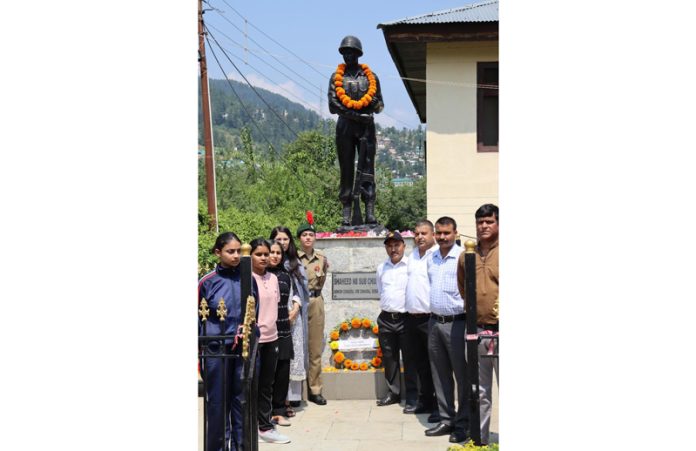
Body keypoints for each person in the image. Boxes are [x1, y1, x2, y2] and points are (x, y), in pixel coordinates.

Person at [198, 231, 256, 451]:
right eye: (230, 251)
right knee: (218, 404)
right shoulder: (207, 282)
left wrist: (247, 328)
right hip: (216, 350)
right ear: (217, 252)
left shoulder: (247, 279)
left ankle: (241, 447)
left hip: (242, 349)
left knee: (241, 402)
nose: (235, 256)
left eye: (238, 251)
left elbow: (254, 309)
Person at [328, 35, 384, 226]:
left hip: (366, 128)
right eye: (344, 52)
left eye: (351, 52)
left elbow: (380, 104)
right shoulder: (337, 78)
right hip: (345, 127)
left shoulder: (371, 77)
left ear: (358, 54)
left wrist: (375, 105)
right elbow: (333, 105)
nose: (347, 56)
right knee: (346, 169)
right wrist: (356, 116)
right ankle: (346, 211)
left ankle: (369, 210)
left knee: (367, 169)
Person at [425, 217, 471, 444]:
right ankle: (446, 419)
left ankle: (464, 423)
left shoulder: (462, 257)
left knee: (461, 376)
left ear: (455, 233)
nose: (442, 237)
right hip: (434, 323)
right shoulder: (431, 258)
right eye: (439, 233)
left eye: (446, 233)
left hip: (457, 323)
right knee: (439, 373)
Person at [457, 204, 499, 446]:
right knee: (480, 391)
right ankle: (480, 441)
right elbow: (464, 289)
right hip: (479, 332)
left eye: (489, 222)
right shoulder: (466, 256)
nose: (483, 226)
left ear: (499, 224)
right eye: (480, 222)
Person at [250, 238, 291, 444]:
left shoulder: (273, 278)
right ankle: (250, 424)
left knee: (267, 384)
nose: (264, 258)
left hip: (272, 338)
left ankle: (265, 427)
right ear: (250, 256)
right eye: (259, 254)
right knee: (252, 384)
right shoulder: (246, 279)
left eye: (266, 254)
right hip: (253, 341)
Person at [270, 226, 309, 412]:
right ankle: (277, 401)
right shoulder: (268, 261)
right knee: (277, 358)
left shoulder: (295, 263)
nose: (282, 243)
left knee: (292, 357)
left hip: (293, 315)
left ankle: (292, 398)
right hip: (273, 318)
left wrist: (295, 307)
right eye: (278, 239)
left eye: (286, 239)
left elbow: (301, 290)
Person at [402, 220, 439, 422]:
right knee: (420, 364)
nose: (419, 237)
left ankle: (438, 405)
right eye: (416, 234)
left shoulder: (437, 256)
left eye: (424, 233)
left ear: (432, 234)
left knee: (436, 365)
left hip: (429, 318)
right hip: (411, 319)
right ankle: (425, 401)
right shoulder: (413, 256)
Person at [296, 216, 329, 405]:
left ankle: (315, 390)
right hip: (298, 302)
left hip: (315, 301)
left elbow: (321, 281)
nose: (308, 238)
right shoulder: (293, 258)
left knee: (315, 348)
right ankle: (295, 392)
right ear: (299, 238)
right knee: (298, 347)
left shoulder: (322, 259)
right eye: (304, 235)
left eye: (311, 234)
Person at [375, 230, 409, 406]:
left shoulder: (410, 266)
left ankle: (412, 395)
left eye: (396, 245)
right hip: (387, 319)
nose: (393, 249)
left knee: (410, 358)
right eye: (389, 246)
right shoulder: (382, 268)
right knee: (389, 358)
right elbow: (381, 291)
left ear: (404, 246)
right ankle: (393, 392)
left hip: (406, 318)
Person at [267, 242, 297, 427]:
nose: (275, 256)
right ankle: (264, 411)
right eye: (272, 252)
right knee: (267, 374)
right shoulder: (260, 275)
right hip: (266, 332)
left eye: (278, 252)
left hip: (284, 330)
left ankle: (278, 411)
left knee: (282, 373)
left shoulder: (286, 276)